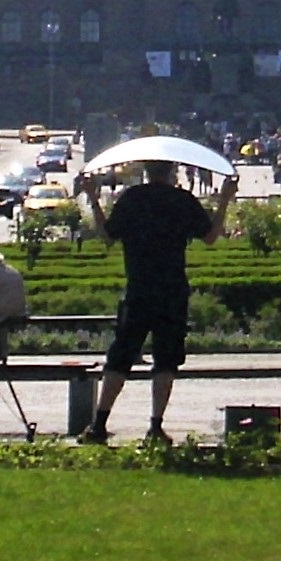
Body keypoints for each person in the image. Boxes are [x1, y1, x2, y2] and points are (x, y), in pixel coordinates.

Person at [86, 157, 216, 443]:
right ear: (172, 171)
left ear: (145, 171)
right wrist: (227, 198)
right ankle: (156, 426)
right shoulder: (182, 199)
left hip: (139, 288)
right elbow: (210, 237)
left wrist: (93, 198)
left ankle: (99, 424)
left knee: (120, 357)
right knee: (166, 361)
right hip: (172, 288)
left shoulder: (132, 198)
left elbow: (107, 236)